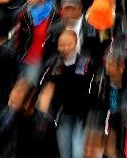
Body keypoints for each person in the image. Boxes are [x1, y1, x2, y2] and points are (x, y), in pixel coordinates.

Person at [38, 29, 98, 158]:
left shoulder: (86, 62)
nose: (64, 48)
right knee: (65, 153)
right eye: (61, 44)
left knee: (78, 152)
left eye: (68, 44)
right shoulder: (54, 64)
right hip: (63, 114)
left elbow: (91, 88)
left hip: (82, 116)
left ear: (76, 43)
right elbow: (47, 89)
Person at [14, 0, 58, 84]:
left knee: (31, 87)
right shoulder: (23, 13)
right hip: (23, 57)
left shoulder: (55, 12)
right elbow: (17, 35)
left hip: (40, 60)